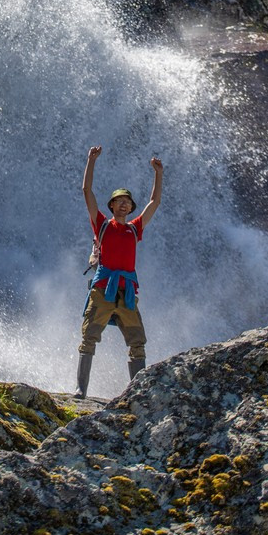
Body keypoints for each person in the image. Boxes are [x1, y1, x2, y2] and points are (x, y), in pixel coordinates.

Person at [75, 145, 163, 399]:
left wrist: (158, 174)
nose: (124, 205)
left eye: (127, 202)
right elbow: (86, 191)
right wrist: (90, 160)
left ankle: (138, 393)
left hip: (126, 292)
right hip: (103, 288)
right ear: (112, 205)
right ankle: (81, 390)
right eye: (119, 201)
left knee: (137, 342)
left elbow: (154, 202)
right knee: (89, 337)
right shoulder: (102, 224)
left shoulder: (135, 229)